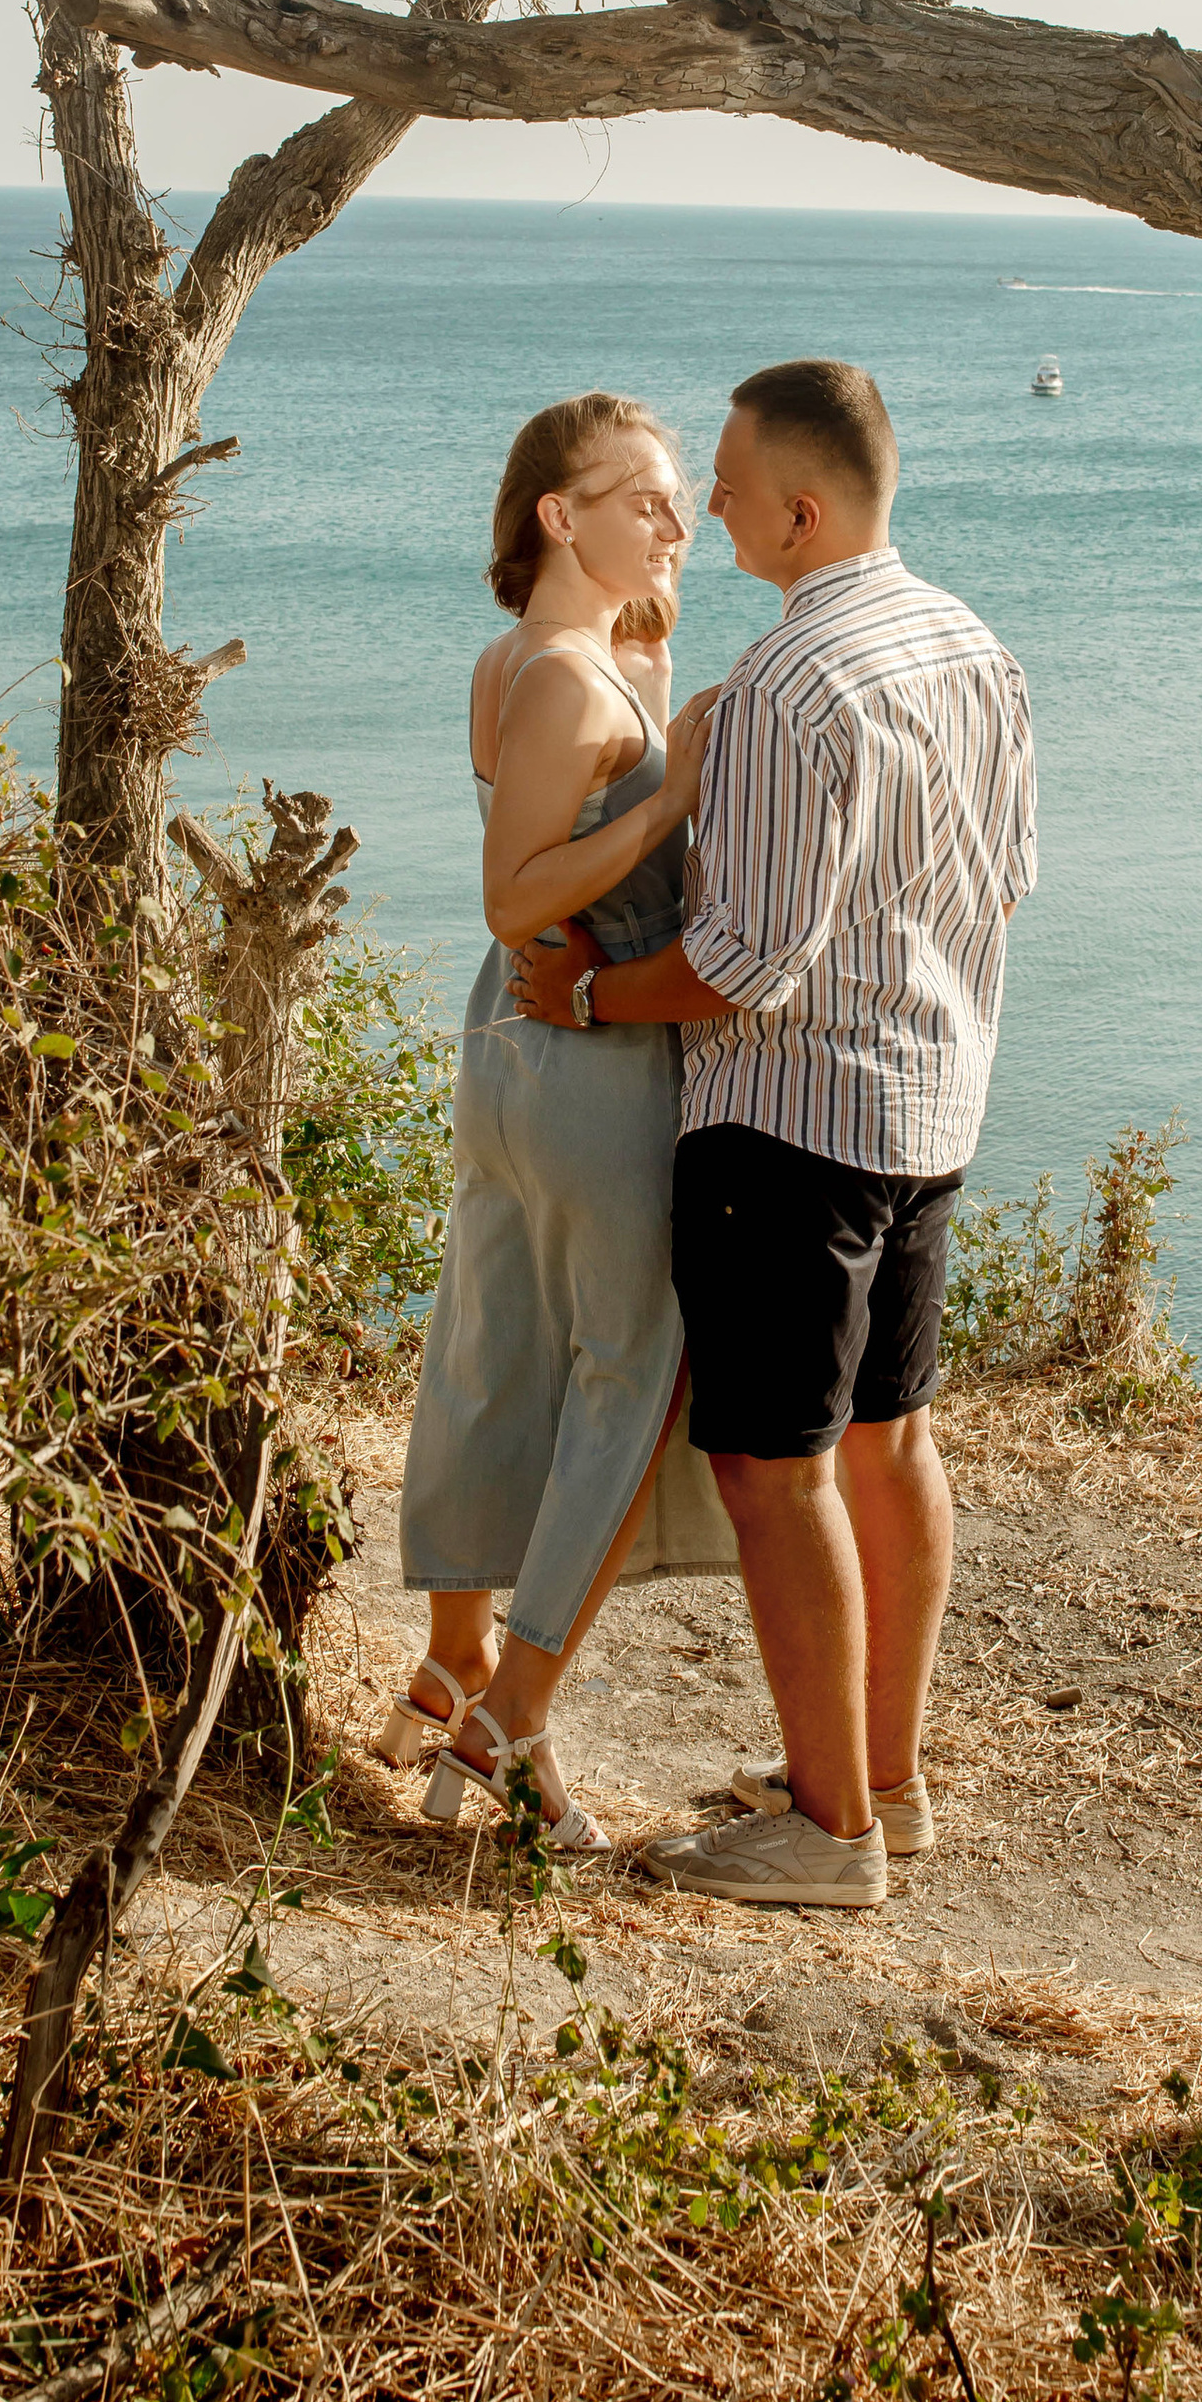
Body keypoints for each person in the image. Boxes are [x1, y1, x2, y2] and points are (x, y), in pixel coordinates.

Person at [516, 359, 1036, 1909]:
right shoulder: (972, 643)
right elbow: (1004, 878)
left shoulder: (785, 689)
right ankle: (887, 1784)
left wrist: (588, 996)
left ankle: (826, 1833)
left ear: (802, 513)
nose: (707, 512)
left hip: (791, 1125)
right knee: (890, 1440)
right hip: (930, 1100)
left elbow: (741, 962)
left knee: (773, 1467)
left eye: (730, 489)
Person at [385, 391, 736, 1852]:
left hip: (511, 1043)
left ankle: (454, 1661)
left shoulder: (539, 659)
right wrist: (672, 795)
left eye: (679, 499)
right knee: (628, 1377)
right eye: (643, 497)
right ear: (556, 513)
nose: (677, 519)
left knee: (497, 1343)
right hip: (589, 1048)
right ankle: (512, 1723)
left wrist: (650, 662)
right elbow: (513, 891)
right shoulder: (564, 682)